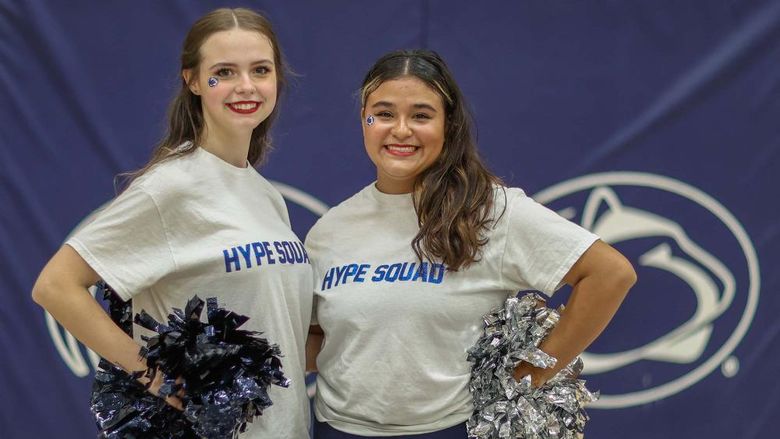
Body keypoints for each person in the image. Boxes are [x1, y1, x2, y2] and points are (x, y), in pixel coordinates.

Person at [304, 49, 637, 438]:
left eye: (421, 115)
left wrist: (535, 372)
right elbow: (324, 340)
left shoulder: (490, 210)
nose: (400, 130)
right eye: (384, 113)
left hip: (448, 428)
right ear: (364, 119)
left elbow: (611, 274)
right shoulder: (330, 229)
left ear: (449, 125)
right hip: (338, 429)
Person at [31, 8, 312, 438]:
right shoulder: (171, 187)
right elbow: (55, 286)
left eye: (260, 70)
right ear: (193, 81)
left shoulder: (265, 195)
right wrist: (154, 378)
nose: (246, 86)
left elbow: (278, 337)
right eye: (224, 72)